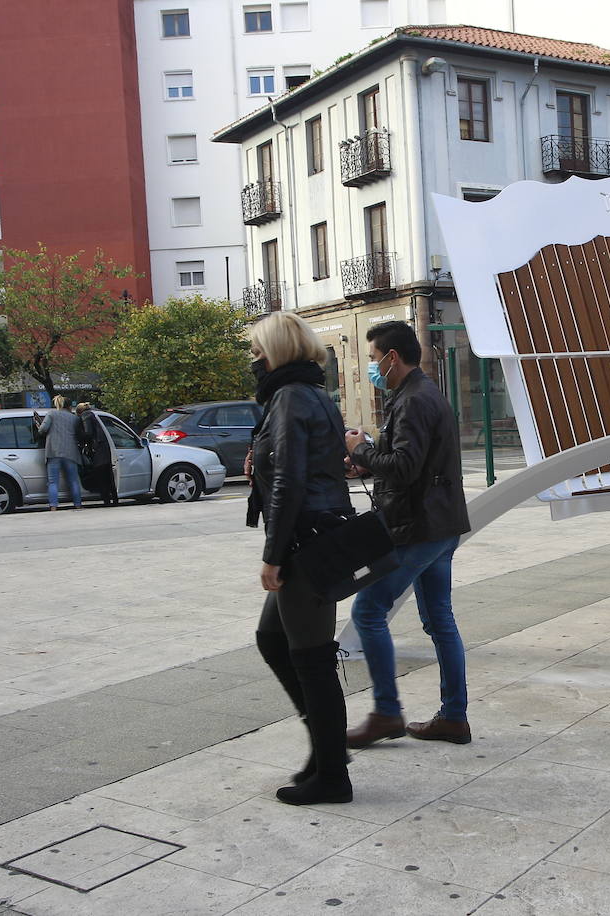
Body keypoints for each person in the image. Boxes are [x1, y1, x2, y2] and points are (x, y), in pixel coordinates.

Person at [344, 320, 472, 748]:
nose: (372, 367)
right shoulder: (423, 393)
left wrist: (359, 449)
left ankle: (385, 713)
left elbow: (404, 467)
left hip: (418, 529)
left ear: (392, 357)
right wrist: (372, 452)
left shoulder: (413, 400)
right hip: (440, 525)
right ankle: (453, 717)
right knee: (440, 621)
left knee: (368, 612)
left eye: (373, 358)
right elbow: (409, 460)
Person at [247, 311, 355, 806]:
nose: (254, 360)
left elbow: (290, 480)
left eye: (258, 351)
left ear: (278, 352)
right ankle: (325, 748)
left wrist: (273, 557)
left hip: (304, 542)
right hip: (316, 533)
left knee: (312, 661)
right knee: (272, 640)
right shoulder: (312, 393)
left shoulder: (290, 397)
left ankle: (332, 775)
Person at [38, 395, 84, 510]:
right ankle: (78, 504)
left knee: (53, 482)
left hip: (53, 452)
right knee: (73, 480)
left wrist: (39, 426)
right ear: (69, 407)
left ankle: (53, 506)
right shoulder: (74, 418)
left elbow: (43, 430)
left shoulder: (51, 414)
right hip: (71, 452)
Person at [76, 403, 118, 507]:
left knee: (101, 476)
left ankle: (107, 500)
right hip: (103, 448)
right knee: (108, 476)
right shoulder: (92, 415)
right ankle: (114, 499)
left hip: (98, 450)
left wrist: (78, 434)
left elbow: (88, 433)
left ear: (79, 412)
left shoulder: (85, 416)